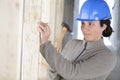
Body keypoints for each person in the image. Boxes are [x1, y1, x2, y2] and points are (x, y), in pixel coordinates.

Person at [38, 0, 116, 80]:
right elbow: (53, 76)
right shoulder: (72, 44)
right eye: (83, 23)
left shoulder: (107, 57)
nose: (85, 29)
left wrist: (46, 44)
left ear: (103, 26)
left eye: (91, 24)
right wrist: (54, 61)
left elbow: (72, 73)